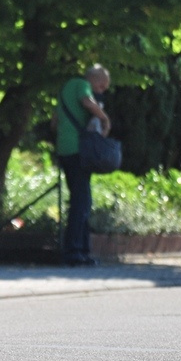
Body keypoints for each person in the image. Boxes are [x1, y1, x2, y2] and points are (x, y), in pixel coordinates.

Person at [55, 64, 112, 266]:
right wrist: (104, 119)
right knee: (82, 203)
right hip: (78, 150)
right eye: (102, 86)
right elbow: (87, 102)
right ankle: (75, 252)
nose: (102, 91)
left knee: (80, 200)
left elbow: (55, 121)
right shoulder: (81, 84)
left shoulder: (65, 90)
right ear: (94, 79)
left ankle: (81, 250)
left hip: (65, 149)